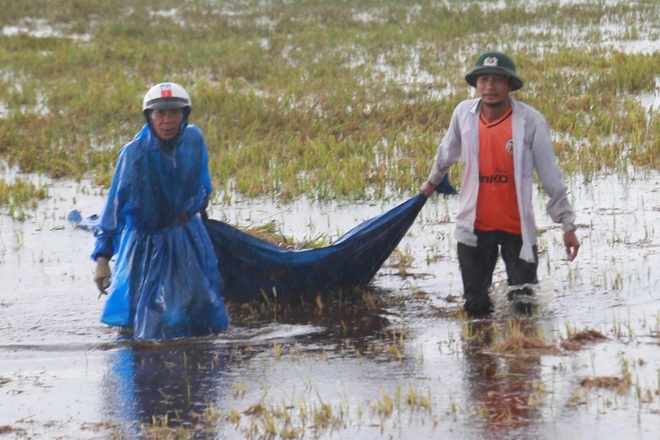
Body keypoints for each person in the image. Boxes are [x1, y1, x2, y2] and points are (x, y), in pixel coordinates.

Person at [420, 52, 580, 318]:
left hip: (517, 229)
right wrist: (429, 185)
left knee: (524, 306)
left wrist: (567, 225)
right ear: (476, 84)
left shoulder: (531, 121)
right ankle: (480, 356)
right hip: (473, 228)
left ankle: (524, 355)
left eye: (497, 80)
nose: (489, 87)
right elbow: (446, 153)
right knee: (476, 308)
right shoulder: (464, 114)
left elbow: (551, 176)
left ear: (510, 85)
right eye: (483, 80)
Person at [92, 82, 229, 339]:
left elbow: (202, 184)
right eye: (160, 114)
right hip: (146, 240)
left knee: (198, 299)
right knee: (141, 310)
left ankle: (192, 352)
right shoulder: (134, 154)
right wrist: (102, 259)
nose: (168, 121)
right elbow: (114, 207)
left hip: (186, 233)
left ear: (184, 115)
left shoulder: (194, 140)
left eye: (174, 113)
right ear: (149, 117)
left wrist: (198, 210)